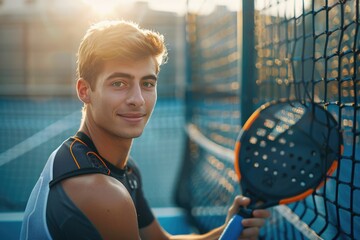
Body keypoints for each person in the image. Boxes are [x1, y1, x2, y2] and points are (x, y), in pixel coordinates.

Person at [20, 20, 270, 240]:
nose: (138, 99)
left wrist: (226, 231)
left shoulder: (112, 166)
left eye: (147, 83)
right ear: (85, 90)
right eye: (119, 83)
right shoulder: (102, 193)